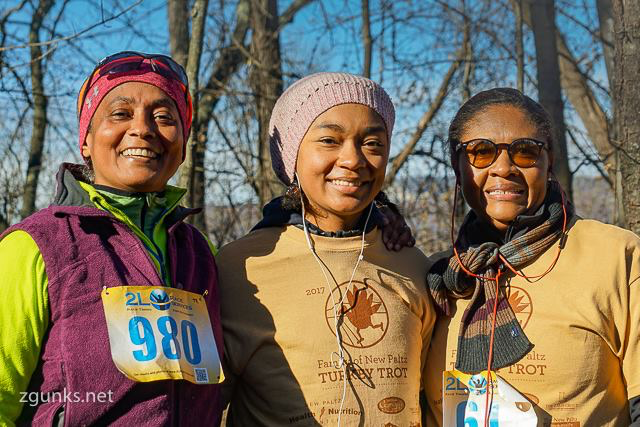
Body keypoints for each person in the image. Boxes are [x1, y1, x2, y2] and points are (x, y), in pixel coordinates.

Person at [0, 51, 224, 425]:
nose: (143, 129)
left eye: (164, 117)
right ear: (85, 140)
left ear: (183, 145)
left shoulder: (201, 252)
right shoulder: (34, 247)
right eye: (120, 114)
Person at [217, 72, 435, 426]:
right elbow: (197, 406)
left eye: (373, 144)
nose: (353, 160)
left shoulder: (412, 264)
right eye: (330, 140)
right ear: (292, 156)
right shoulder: (239, 268)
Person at [423, 88, 639, 426]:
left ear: (549, 160)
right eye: (481, 152)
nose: (504, 168)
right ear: (457, 164)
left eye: (525, 152)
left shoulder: (617, 256)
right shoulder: (437, 276)